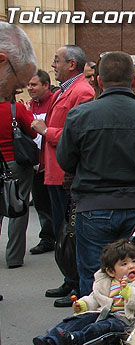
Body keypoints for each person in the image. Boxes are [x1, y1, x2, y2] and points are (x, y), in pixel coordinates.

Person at [57, 51, 135, 297]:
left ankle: (95, 326)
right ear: (134, 80)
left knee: (93, 277)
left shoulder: (79, 116)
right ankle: (131, 330)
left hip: (93, 206)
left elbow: (65, 160)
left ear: (99, 81)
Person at [31, 44, 94, 307]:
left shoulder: (82, 91)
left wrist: (46, 131)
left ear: (71, 64)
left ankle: (78, 284)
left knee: (70, 232)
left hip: (66, 174)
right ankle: (70, 279)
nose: (53, 64)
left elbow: (75, 135)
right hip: (54, 172)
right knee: (62, 231)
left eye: (57, 60)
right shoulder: (68, 89)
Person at [32, 239, 135, 345]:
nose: (131, 266)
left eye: (134, 261)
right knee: (81, 319)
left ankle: (74, 339)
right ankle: (52, 340)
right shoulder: (106, 282)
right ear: (111, 271)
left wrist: (129, 292)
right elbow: (95, 298)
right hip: (103, 315)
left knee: (101, 327)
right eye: (124, 264)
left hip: (126, 322)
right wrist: (83, 304)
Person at [0, 20, 38, 345]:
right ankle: (14, 258)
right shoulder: (14, 108)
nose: (17, 91)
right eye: (16, 84)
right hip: (13, 166)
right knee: (18, 214)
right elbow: (35, 129)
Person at [0, 88, 37, 268]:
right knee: (18, 209)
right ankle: (14, 257)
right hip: (15, 163)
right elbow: (33, 133)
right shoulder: (16, 109)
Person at [26, 69, 55, 255]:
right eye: (28, 85)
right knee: (41, 204)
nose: (29, 88)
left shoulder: (54, 102)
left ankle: (62, 238)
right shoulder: (28, 105)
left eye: (33, 84)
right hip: (36, 165)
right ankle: (47, 238)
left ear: (46, 85)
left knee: (57, 205)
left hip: (52, 164)